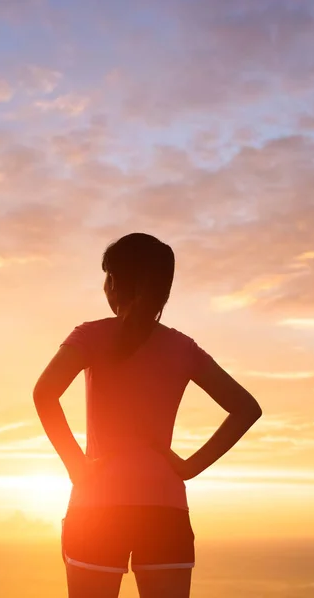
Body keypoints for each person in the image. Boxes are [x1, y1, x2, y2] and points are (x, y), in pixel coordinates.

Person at [33, 232, 262, 598]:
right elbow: (246, 408)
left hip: (97, 505)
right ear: (163, 291)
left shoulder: (91, 336)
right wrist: (189, 467)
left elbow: (44, 394)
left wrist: (76, 465)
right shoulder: (182, 347)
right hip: (164, 509)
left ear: (114, 283)